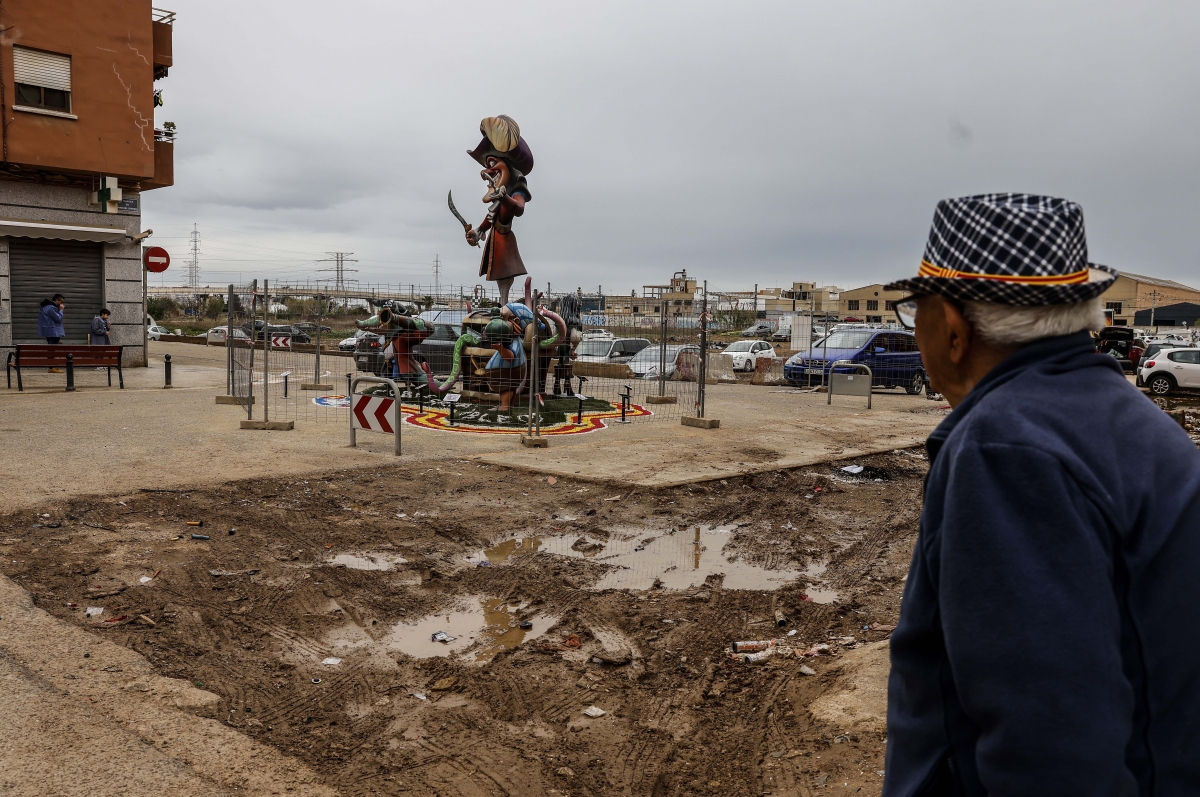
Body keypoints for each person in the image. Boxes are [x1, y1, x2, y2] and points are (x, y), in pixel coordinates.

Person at [883, 194, 1200, 795]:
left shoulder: (1006, 450)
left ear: (952, 329)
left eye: (913, 312)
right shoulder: (1133, 422)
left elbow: (1050, 750)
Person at [37, 294, 66, 373]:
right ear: (57, 300)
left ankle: (52, 365)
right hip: (53, 331)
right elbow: (58, 318)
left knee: (52, 349)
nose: (62, 304)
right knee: (52, 349)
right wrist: (61, 310)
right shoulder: (51, 308)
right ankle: (51, 367)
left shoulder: (46, 307)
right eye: (61, 302)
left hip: (50, 330)